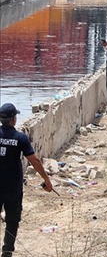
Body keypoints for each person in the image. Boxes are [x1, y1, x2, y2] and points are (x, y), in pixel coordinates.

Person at [0, 103, 53, 257]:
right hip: (13, 187)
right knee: (12, 220)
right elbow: (34, 160)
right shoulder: (20, 138)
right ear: (13, 119)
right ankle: (7, 251)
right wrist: (46, 179)